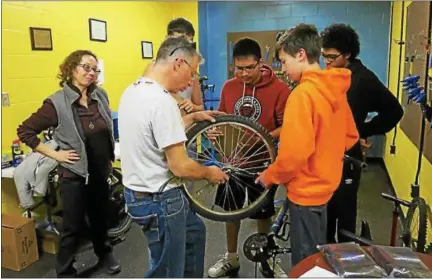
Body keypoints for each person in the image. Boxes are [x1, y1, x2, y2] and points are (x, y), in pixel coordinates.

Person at [118, 36, 228, 278]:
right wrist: (210, 173)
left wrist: (191, 119)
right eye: (192, 73)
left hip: (138, 194)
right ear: (178, 63)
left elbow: (155, 134)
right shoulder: (162, 101)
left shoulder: (134, 90)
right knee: (167, 271)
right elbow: (180, 166)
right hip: (161, 200)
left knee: (195, 233)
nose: (191, 81)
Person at [255, 24, 359, 266]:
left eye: (283, 61)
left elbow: (294, 155)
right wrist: (326, 154)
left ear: (301, 54)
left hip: (305, 192)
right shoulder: (334, 89)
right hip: (325, 188)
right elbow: (351, 136)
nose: (282, 68)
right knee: (315, 256)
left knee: (305, 264)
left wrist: (270, 175)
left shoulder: (302, 95)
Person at [17, 50, 121, 277]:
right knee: (72, 228)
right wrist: (56, 155)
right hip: (74, 175)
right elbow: (25, 131)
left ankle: (105, 255)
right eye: (86, 67)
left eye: (95, 69)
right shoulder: (56, 103)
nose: (91, 73)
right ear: (72, 69)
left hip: (100, 172)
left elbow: (105, 131)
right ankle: (64, 271)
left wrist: (109, 159)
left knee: (99, 219)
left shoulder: (100, 95)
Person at [207, 38, 291, 278]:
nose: (243, 74)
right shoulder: (229, 87)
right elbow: (222, 119)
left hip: (263, 164)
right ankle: (231, 258)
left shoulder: (279, 89)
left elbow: (286, 126)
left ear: (260, 63)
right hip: (232, 162)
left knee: (263, 214)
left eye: (248, 68)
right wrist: (215, 132)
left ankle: (266, 259)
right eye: (238, 68)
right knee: (231, 212)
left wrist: (261, 138)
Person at [320, 23, 404, 243]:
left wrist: (362, 130)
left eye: (331, 57)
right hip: (326, 156)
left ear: (347, 53)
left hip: (348, 158)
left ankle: (346, 264)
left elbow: (395, 111)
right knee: (326, 211)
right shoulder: (329, 76)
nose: (326, 62)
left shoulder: (364, 79)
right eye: (324, 57)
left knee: (345, 214)